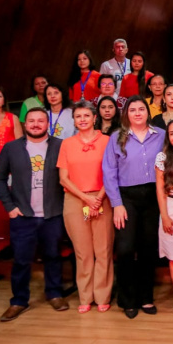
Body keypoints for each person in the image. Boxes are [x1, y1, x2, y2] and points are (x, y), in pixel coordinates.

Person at [0, 108, 68, 321]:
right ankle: (18, 301)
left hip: (52, 214)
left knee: (53, 256)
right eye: (32, 121)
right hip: (23, 216)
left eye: (41, 121)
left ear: (48, 124)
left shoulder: (60, 146)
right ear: (25, 125)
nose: (36, 124)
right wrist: (9, 206)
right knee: (21, 260)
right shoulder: (11, 148)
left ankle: (54, 294)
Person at [102, 97, 164, 319]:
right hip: (126, 197)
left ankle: (146, 297)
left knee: (148, 248)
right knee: (126, 248)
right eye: (132, 110)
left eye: (141, 109)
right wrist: (117, 204)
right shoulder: (116, 137)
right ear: (126, 113)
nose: (137, 113)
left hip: (153, 196)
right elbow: (109, 172)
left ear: (148, 112)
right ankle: (127, 299)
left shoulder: (160, 135)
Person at [57, 101, 114, 314]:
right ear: (74, 120)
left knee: (103, 250)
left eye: (86, 116)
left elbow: (111, 173)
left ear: (94, 118)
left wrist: (97, 198)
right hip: (75, 199)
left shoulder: (107, 141)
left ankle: (102, 296)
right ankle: (85, 296)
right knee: (83, 252)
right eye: (78, 116)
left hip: (103, 197)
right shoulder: (67, 144)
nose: (82, 120)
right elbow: (63, 178)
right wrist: (85, 198)